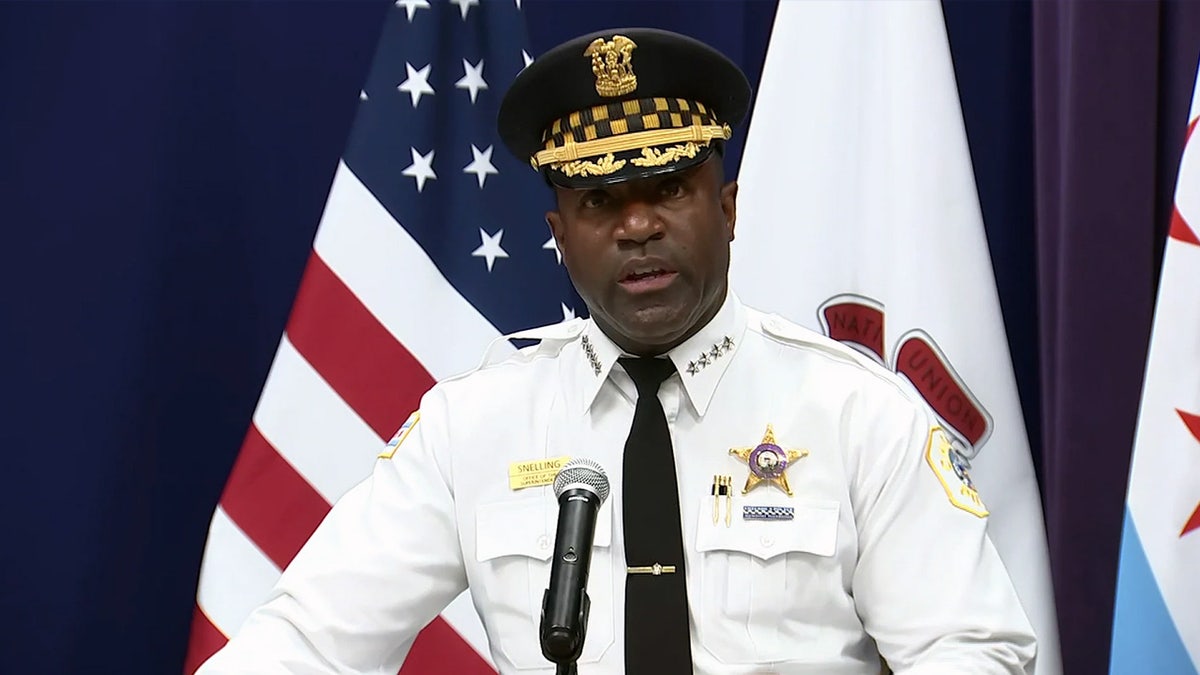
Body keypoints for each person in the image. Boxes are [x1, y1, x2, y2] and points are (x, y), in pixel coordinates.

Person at [197, 27, 1037, 675]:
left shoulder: (857, 414)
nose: (637, 225)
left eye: (668, 188)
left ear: (729, 208)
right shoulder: (475, 425)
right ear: (560, 235)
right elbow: (306, 640)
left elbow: (969, 649)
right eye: (600, 201)